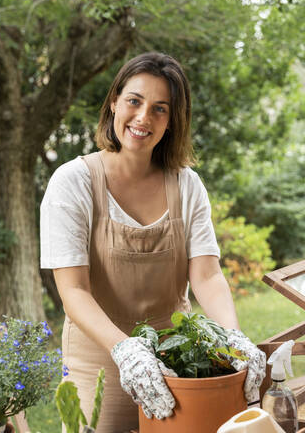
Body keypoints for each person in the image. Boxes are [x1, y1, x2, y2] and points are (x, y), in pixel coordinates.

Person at [40, 52, 266, 433]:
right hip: (99, 370)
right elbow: (74, 291)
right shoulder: (73, 182)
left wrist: (234, 337)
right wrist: (127, 351)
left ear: (172, 122)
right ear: (114, 103)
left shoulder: (186, 184)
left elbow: (207, 276)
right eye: (134, 101)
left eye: (160, 109)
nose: (144, 117)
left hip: (177, 369)